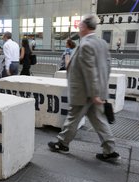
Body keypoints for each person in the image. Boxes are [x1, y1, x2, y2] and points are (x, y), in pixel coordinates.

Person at [48, 14, 120, 162]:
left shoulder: (86, 44)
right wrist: (101, 90)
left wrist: (94, 94)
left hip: (85, 92)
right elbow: (107, 67)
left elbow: (90, 71)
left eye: (80, 25)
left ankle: (62, 144)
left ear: (84, 27)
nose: (78, 28)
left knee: (73, 118)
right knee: (99, 120)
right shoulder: (102, 43)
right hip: (96, 91)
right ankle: (110, 150)